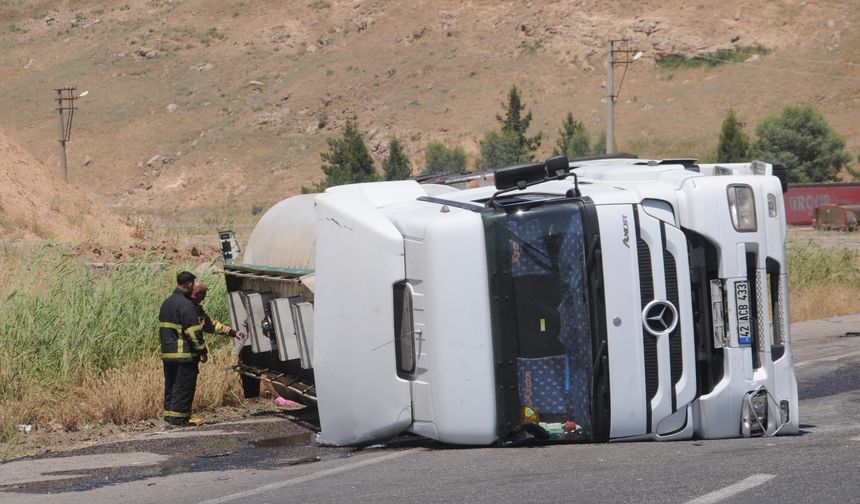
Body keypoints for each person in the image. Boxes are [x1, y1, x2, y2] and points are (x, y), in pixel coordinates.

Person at [158, 271, 208, 427]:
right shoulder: (186, 305)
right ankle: (179, 420)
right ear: (188, 284)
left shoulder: (166, 303)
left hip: (168, 354)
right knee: (183, 387)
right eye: (193, 283)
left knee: (171, 387)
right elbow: (193, 331)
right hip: (184, 355)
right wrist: (202, 350)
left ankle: (169, 418)